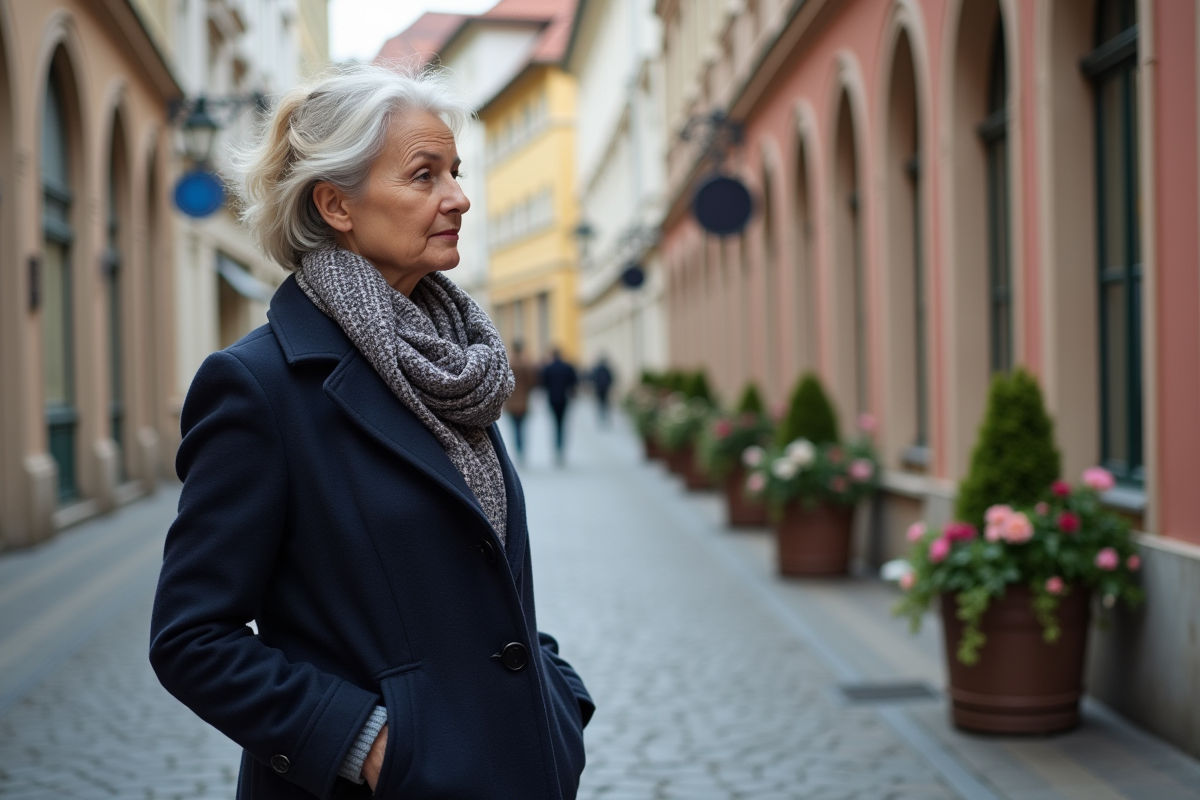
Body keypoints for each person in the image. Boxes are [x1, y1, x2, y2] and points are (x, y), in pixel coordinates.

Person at [149, 65, 592, 800]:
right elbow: (192, 639)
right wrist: (371, 745)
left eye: (455, 172)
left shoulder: (454, 361)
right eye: (424, 175)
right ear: (336, 204)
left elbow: (486, 584)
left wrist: (557, 700)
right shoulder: (258, 386)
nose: (459, 197)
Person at [541, 348, 578, 465]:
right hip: (564, 399)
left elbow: (543, 383)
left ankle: (557, 447)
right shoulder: (567, 367)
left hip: (552, 399)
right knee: (561, 424)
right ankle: (560, 448)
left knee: (554, 423)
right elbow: (574, 382)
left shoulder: (549, 368)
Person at [504, 340, 539, 461]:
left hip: (511, 402)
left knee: (515, 427)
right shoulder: (526, 365)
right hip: (523, 402)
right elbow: (532, 382)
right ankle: (521, 448)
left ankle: (517, 448)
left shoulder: (509, 364)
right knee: (522, 427)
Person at [590, 356, 614, 426]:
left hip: (599, 389)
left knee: (600, 403)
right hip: (605, 388)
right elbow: (611, 378)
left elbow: (593, 378)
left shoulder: (597, 369)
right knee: (605, 403)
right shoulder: (607, 369)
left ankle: (601, 416)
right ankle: (606, 417)